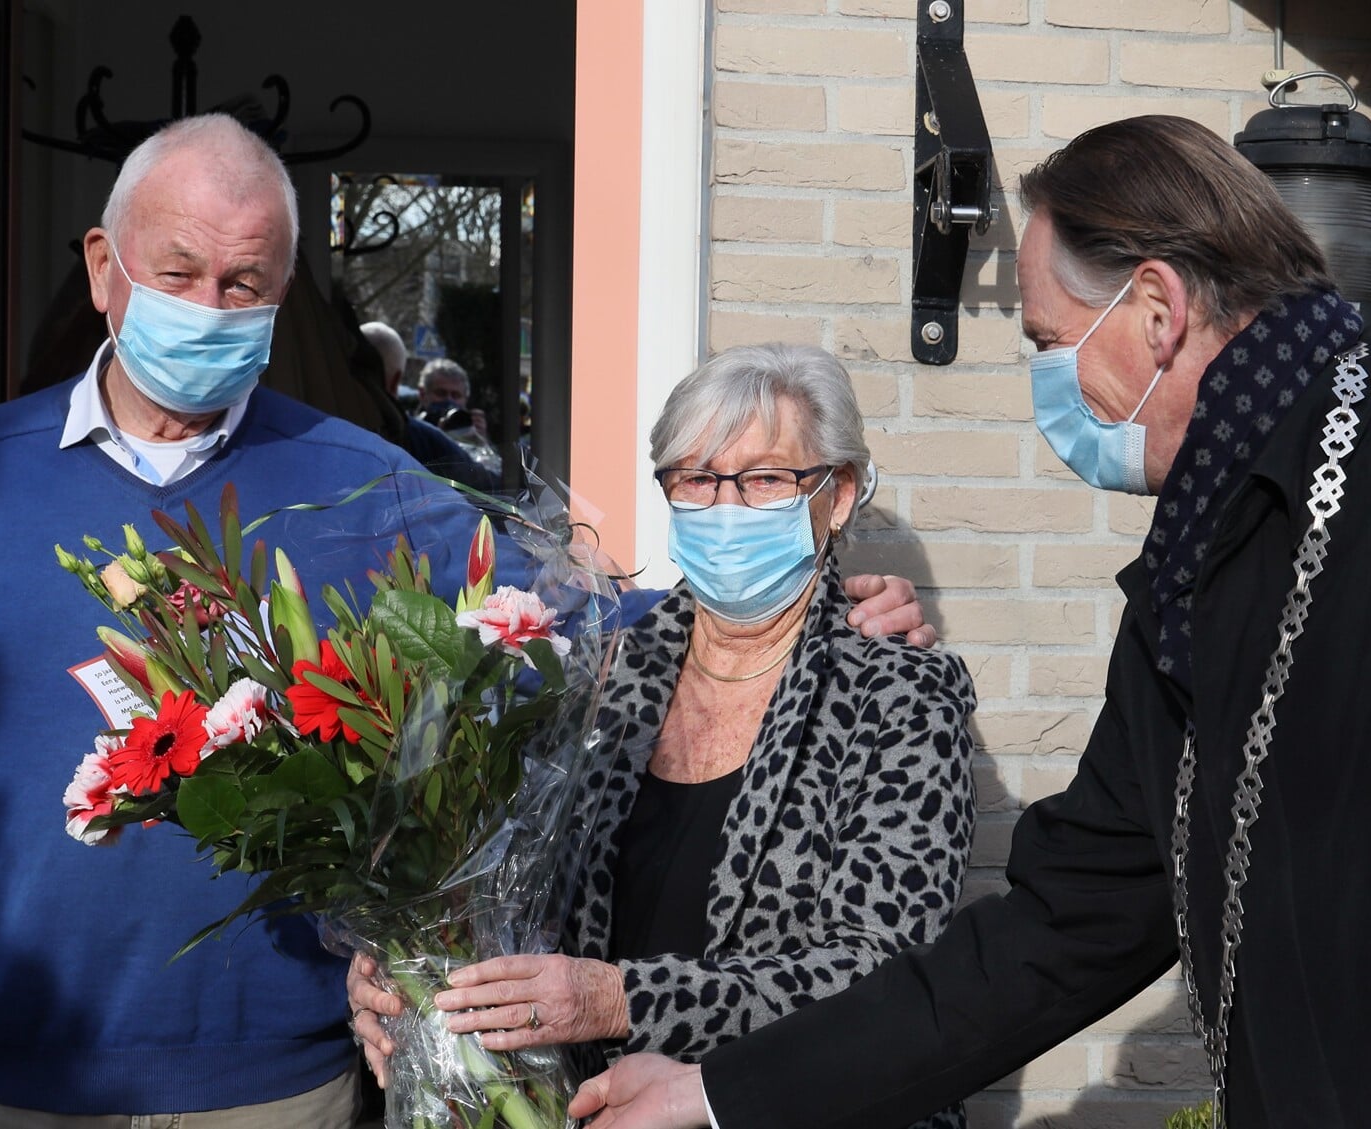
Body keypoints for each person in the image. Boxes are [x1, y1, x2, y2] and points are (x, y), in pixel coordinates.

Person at [0, 113, 939, 1129]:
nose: (206, 307)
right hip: (8, 1071)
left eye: (243, 284)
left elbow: (567, 611)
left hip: (271, 1084)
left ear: (282, 296)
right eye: (176, 272)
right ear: (102, 267)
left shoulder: (355, 481)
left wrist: (803, 602)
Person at [568, 114, 1371, 1129]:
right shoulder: (1180, 594)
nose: (1043, 386)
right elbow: (1052, 935)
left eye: (1045, 341)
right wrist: (716, 1093)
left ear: (1153, 307)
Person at [348, 345, 976, 1129]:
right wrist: (410, 965)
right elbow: (509, 895)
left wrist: (618, 1000)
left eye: (765, 478)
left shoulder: (900, 695)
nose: (725, 507)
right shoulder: (603, 674)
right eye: (696, 478)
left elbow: (883, 972)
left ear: (837, 492)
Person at [361, 319, 500, 491]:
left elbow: (492, 486)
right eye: (440, 393)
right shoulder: (411, 435)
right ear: (422, 394)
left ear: (466, 399)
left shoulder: (473, 435)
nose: (449, 401)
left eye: (456, 395)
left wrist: (481, 447)